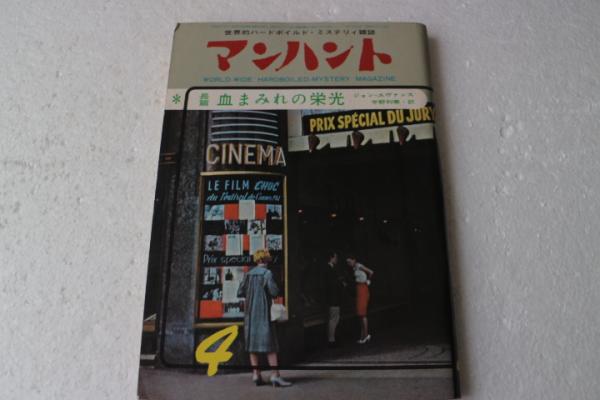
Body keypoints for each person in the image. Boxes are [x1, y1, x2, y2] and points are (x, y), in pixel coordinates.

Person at [237, 249, 292, 387]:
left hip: (250, 314)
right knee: (271, 345)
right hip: (264, 313)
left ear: (257, 260)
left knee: (252, 345)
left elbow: (240, 292)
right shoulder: (267, 273)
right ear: (266, 260)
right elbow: (274, 292)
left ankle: (256, 374)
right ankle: (275, 375)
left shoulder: (248, 274)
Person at [346, 256, 374, 344]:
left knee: (362, 313)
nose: (348, 264)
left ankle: (366, 335)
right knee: (360, 314)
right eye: (347, 262)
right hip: (359, 288)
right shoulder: (354, 268)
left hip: (363, 288)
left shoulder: (359, 265)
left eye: (350, 261)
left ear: (354, 260)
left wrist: (368, 281)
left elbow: (371, 272)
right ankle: (362, 336)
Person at [324, 251, 346, 347]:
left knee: (334, 318)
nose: (337, 260)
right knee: (334, 319)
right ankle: (331, 340)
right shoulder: (328, 269)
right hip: (333, 297)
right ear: (331, 258)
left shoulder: (331, 268)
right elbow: (331, 284)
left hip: (333, 297)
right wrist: (340, 282)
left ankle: (332, 338)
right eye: (335, 257)